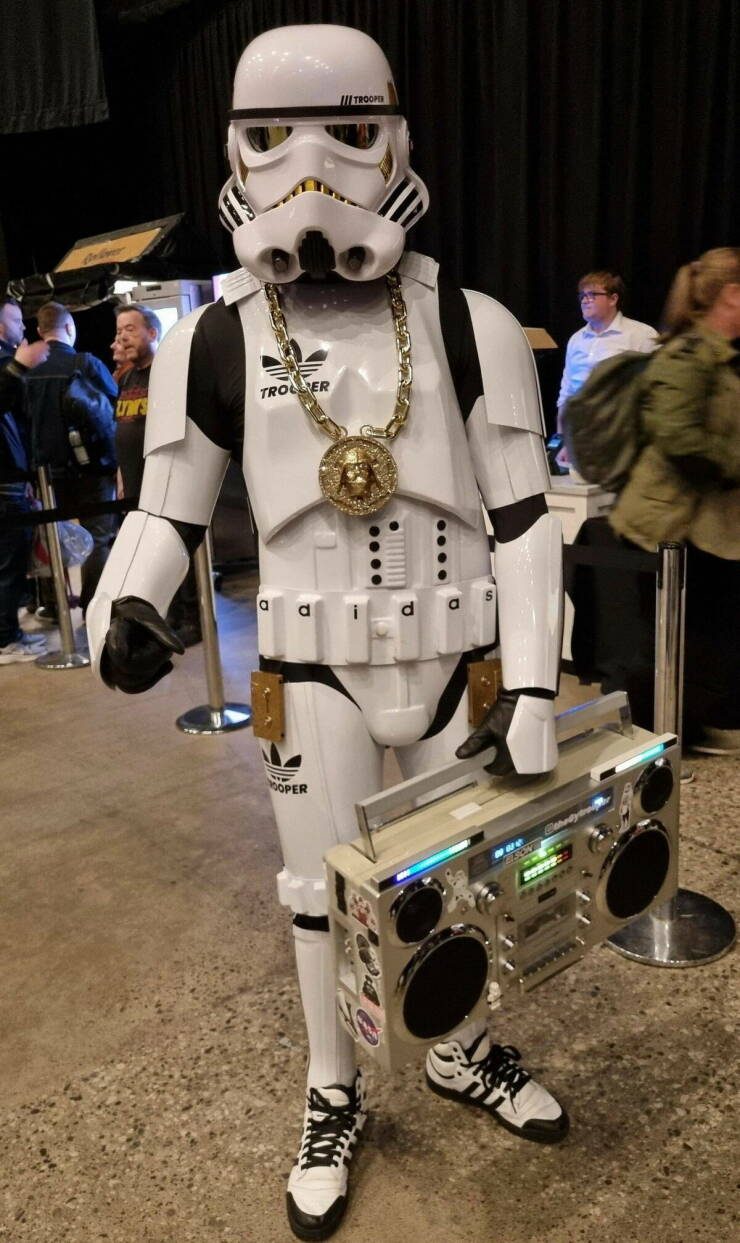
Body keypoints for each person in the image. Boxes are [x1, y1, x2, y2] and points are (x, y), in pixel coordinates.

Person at [87, 25, 566, 1239]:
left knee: (464, 871)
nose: (309, 168)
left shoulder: (471, 322)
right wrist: (126, 604)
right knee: (315, 894)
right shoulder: (213, 338)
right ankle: (332, 1088)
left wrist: (530, 684)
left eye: (346, 132)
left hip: (457, 656)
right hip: (309, 666)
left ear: (393, 140)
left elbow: (523, 519)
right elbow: (164, 510)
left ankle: (460, 1048)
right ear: (233, 154)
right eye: (269, 138)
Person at [609, 247, 740, 754]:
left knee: (700, 639)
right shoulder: (689, 355)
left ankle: (691, 728)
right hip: (670, 526)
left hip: (702, 525)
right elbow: (676, 434)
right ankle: (657, 740)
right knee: (676, 641)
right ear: (731, 294)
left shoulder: (715, 355)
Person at [24, 301, 118, 618]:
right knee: (98, 537)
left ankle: (54, 605)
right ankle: (93, 607)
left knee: (51, 537)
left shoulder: (27, 369)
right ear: (69, 327)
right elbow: (112, 410)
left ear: (40, 331)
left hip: (44, 473)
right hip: (91, 468)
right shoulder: (85, 363)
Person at [114, 303, 201, 645]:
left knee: (176, 550)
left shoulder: (167, 372)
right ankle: (169, 615)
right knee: (150, 554)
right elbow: (125, 427)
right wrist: (122, 476)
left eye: (130, 329)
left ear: (152, 332)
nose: (123, 337)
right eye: (119, 331)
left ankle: (193, 618)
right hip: (134, 485)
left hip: (166, 483)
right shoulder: (127, 377)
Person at [556, 270, 657, 463]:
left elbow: (654, 391)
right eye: (582, 296)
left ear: (613, 299)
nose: (585, 301)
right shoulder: (576, 339)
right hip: (581, 438)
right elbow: (566, 394)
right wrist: (563, 440)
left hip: (623, 438)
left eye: (592, 295)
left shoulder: (641, 335)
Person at [0, 297, 50, 662]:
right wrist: (19, 366)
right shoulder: (8, 365)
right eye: (17, 320)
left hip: (13, 480)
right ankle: (6, 640)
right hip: (5, 484)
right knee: (8, 566)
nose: (23, 328)